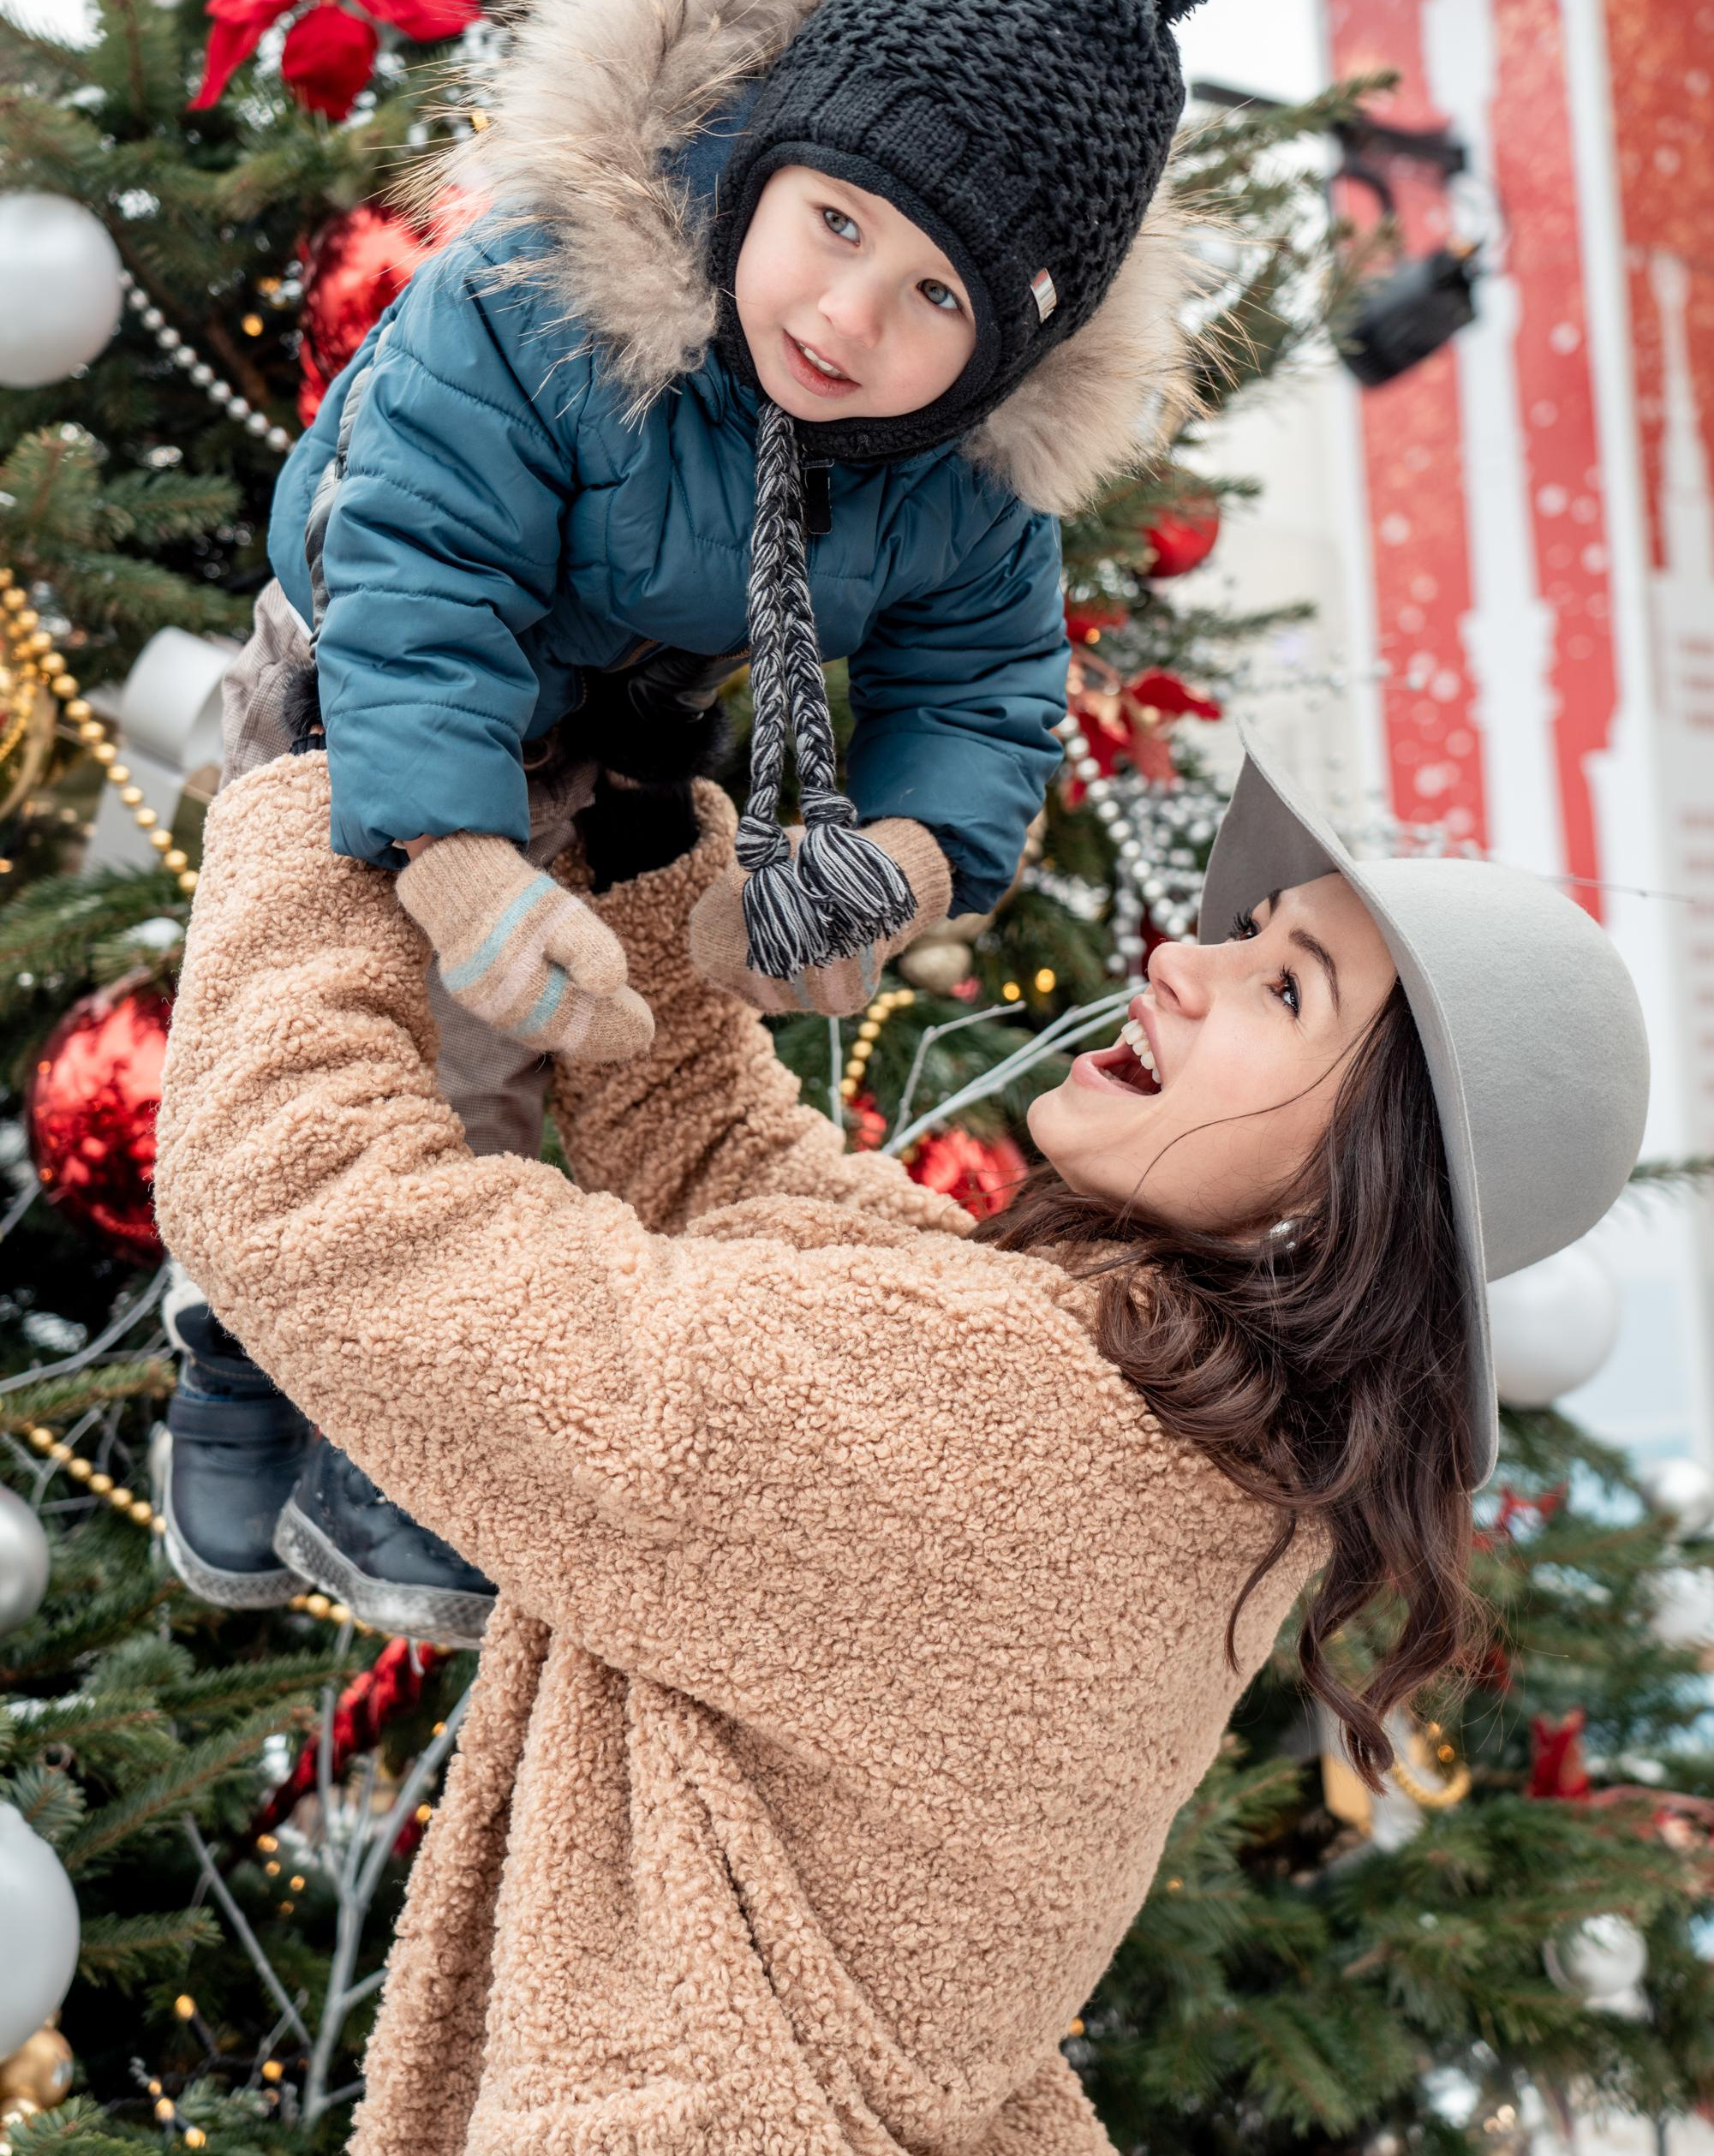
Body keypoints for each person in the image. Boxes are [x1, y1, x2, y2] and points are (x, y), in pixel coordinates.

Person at [154, 737, 1649, 2156]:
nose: (1179, 962)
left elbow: (319, 1214)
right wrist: (640, 816)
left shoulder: (1026, 1435)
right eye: (1241, 925)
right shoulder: (1171, 1438)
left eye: (1280, 989)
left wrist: (345, 775)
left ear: (1348, 1195)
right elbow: (722, 1168)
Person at [161, 0, 1229, 1634]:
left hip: (603, 735)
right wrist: (450, 848)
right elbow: (414, 562)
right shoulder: (545, 301)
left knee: (516, 1075)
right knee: (329, 1036)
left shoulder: (960, 487)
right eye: (836, 228)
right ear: (766, 158)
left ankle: (396, 1438)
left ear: (1006, 345)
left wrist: (888, 867)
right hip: (362, 680)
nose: (845, 320)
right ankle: (240, 1353)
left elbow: (986, 694)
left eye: (935, 302)